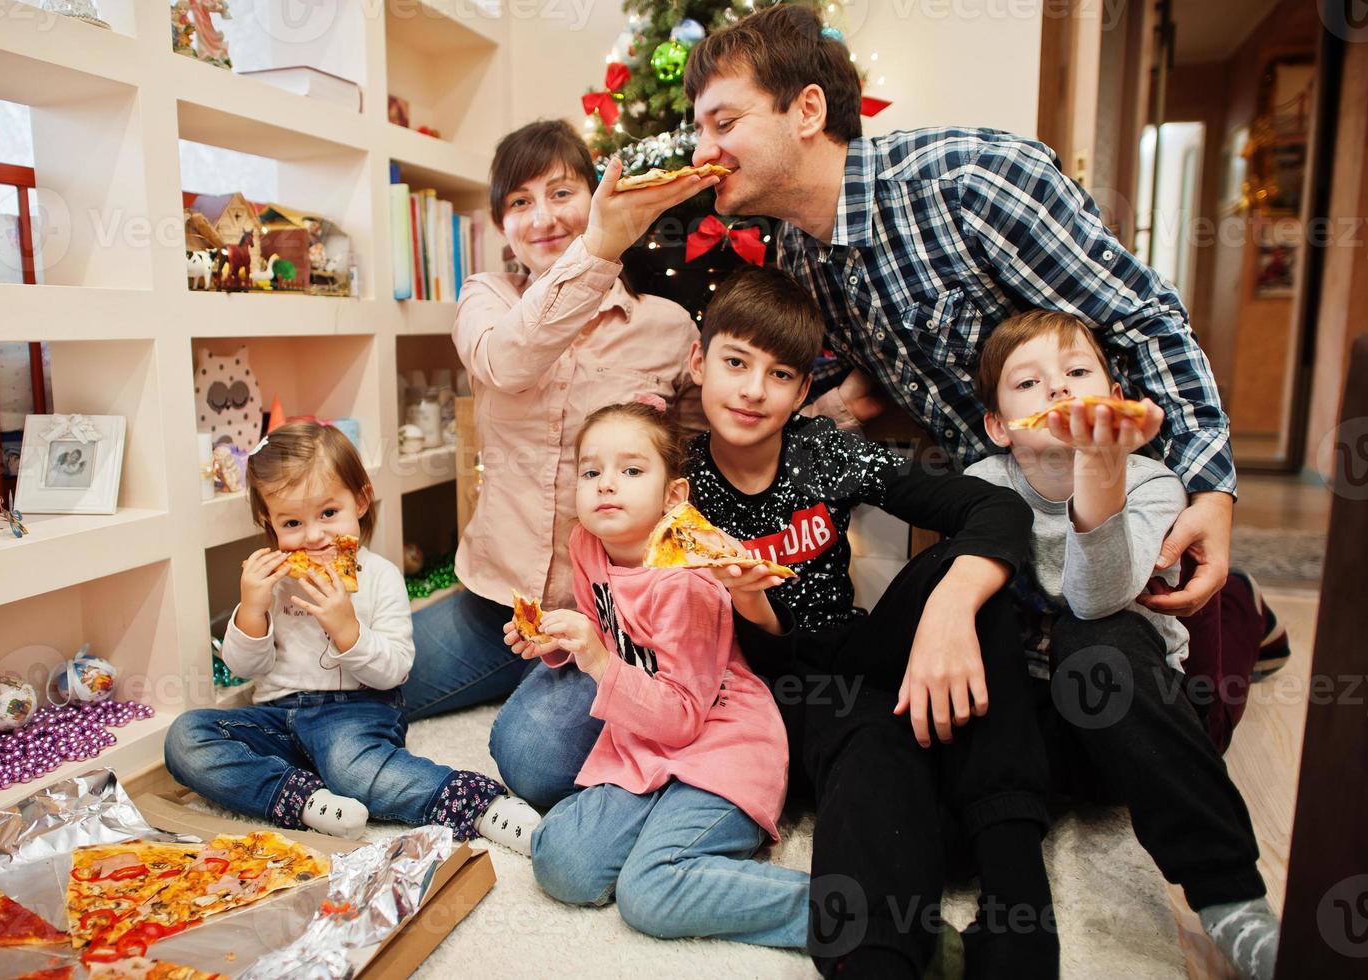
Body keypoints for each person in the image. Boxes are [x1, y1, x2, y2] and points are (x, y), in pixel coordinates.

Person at [682, 5, 1239, 668]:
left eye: (724, 122)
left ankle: (1240, 611)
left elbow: (1143, 321)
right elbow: (861, 376)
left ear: (806, 111)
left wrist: (1209, 488)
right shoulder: (799, 257)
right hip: (1000, 511)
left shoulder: (972, 184)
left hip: (1113, 502)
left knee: (1138, 676)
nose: (700, 153)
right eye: (698, 129)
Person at [681, 267, 1055, 977]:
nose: (753, 389)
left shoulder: (823, 452)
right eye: (734, 363)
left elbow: (991, 510)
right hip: (762, 688)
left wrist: (948, 607)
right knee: (876, 743)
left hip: (851, 646)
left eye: (780, 374)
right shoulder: (677, 478)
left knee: (970, 579)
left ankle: (1015, 892)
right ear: (699, 364)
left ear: (800, 392)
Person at [402, 120, 713, 809]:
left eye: (561, 192)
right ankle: (526, 680)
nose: (542, 218)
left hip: (607, 620)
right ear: (499, 223)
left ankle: (567, 695)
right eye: (518, 202)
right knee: (359, 675)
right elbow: (508, 362)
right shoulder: (487, 300)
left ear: (595, 196)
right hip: (496, 605)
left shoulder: (667, 327)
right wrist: (598, 248)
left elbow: (702, 449)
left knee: (532, 759)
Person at [967, 310, 1278, 979]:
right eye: (1029, 381)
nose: (1058, 389)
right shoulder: (983, 484)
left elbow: (1094, 599)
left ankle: (1231, 898)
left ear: (1112, 396)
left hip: (1137, 715)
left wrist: (1099, 471)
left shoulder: (1150, 481)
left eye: (1077, 373)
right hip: (1034, 735)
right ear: (997, 426)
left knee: (1092, 636)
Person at [510, 400, 809, 947]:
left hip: (717, 747)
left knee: (649, 894)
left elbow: (682, 720)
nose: (606, 486)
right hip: (641, 744)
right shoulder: (588, 545)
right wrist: (559, 641)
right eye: (591, 472)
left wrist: (599, 663)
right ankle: (661, 834)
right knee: (562, 865)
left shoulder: (686, 583)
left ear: (674, 496)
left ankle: (838, 912)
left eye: (630, 471)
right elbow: (607, 631)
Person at [164, 421, 539, 852]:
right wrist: (251, 608)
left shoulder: (380, 577)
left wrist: (346, 628)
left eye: (328, 513)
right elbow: (246, 668)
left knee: (352, 769)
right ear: (268, 521)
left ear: (360, 500)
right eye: (292, 522)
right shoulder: (277, 583)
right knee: (185, 737)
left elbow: (395, 671)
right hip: (279, 717)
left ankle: (479, 804)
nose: (314, 535)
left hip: (357, 713)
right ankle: (304, 800)